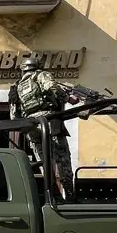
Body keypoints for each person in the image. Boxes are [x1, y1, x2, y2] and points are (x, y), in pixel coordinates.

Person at [10, 56, 75, 200]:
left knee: (43, 160)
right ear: (36, 66)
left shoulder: (17, 86)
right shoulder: (40, 75)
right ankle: (69, 194)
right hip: (49, 120)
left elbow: (14, 112)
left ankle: (51, 193)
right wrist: (68, 99)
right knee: (62, 157)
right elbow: (51, 87)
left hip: (32, 125)